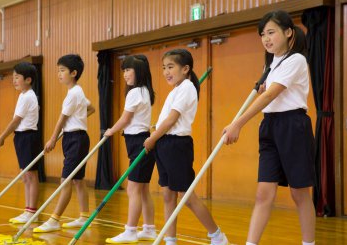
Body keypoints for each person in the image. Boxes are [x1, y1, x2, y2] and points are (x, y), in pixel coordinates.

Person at [222, 10, 315, 245]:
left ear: (288, 32)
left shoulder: (296, 60)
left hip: (293, 126)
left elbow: (270, 96)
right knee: (263, 192)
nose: (266, 38)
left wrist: (237, 123)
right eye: (262, 34)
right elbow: (267, 93)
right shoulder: (272, 64)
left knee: (299, 193)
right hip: (270, 126)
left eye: (271, 32)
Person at [144, 49, 229, 245]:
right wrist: (156, 129)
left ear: (186, 68)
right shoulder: (176, 89)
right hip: (164, 144)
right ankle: (170, 240)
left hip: (176, 146)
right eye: (164, 67)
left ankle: (217, 236)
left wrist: (152, 138)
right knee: (167, 195)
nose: (166, 71)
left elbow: (172, 120)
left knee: (186, 197)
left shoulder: (187, 88)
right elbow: (166, 119)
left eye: (170, 67)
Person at [33, 54, 95, 232]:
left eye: (62, 70)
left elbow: (62, 119)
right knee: (78, 180)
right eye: (58, 70)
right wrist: (78, 118)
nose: (59, 74)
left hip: (75, 139)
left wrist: (52, 138)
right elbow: (91, 108)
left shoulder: (73, 94)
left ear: (73, 73)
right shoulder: (78, 92)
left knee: (65, 180)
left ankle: (54, 219)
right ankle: (84, 217)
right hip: (75, 137)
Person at [105, 55, 157, 243]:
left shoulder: (135, 93)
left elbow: (125, 119)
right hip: (142, 142)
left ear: (139, 71)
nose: (125, 74)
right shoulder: (146, 91)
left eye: (128, 70)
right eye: (124, 70)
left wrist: (111, 131)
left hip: (138, 143)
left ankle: (130, 231)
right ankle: (149, 229)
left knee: (133, 189)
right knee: (143, 190)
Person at [0, 62, 40, 224]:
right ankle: (28, 210)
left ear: (28, 80)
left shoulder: (28, 96)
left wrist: (1, 137)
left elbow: (16, 121)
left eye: (17, 77)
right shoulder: (23, 95)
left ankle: (32, 211)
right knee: (26, 176)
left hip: (28, 137)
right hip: (21, 137)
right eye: (13, 77)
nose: (14, 80)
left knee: (30, 175)